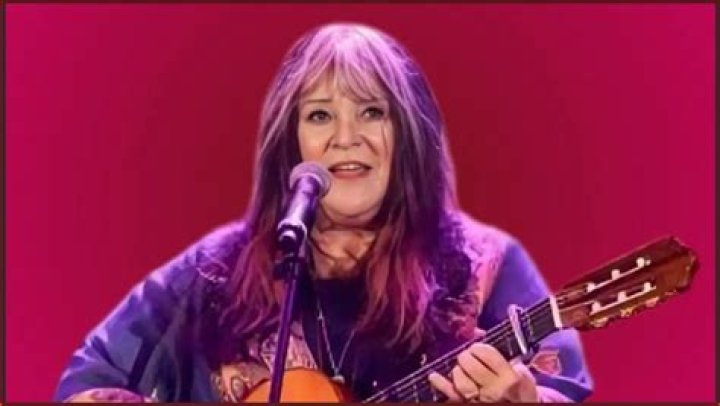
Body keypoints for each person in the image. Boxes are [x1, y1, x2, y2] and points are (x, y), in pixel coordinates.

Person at [55, 23, 593, 403]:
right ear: (290, 144)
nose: (345, 137)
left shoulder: (487, 265)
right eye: (319, 115)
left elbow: (560, 384)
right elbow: (86, 384)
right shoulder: (214, 270)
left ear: (408, 136)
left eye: (372, 112)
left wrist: (525, 402)